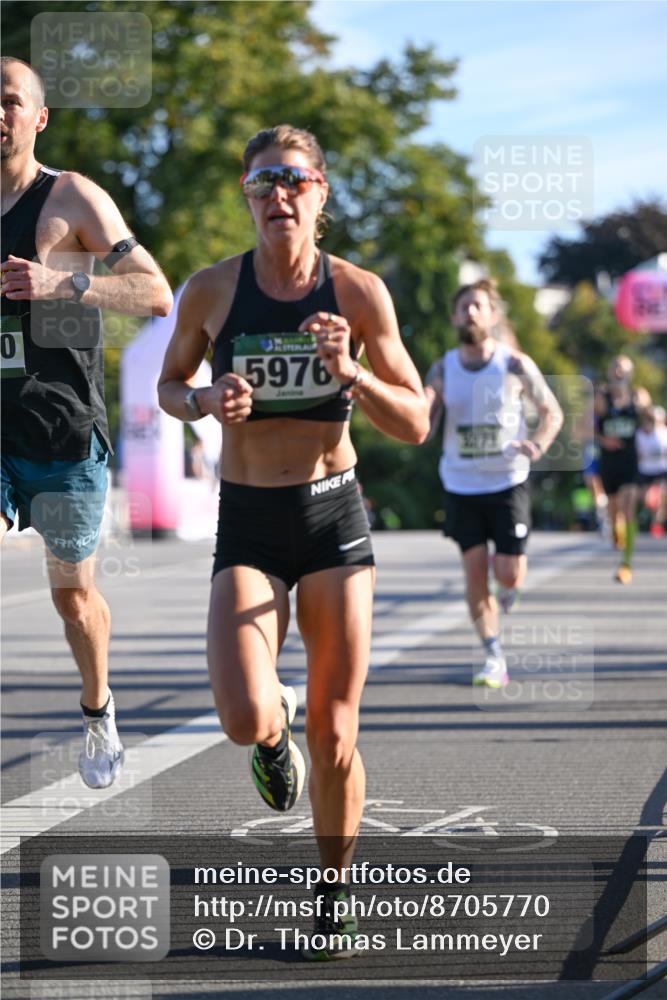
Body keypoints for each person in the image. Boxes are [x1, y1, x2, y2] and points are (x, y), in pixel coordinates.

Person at [157, 124, 428, 958]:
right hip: (247, 516)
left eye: (295, 180)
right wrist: (206, 404)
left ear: (320, 195)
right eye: (262, 180)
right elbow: (170, 385)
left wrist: (351, 373)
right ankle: (270, 740)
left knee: (336, 729)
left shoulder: (358, 292)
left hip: (331, 514)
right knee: (242, 715)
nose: (278, 193)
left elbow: (415, 421)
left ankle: (332, 891)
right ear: (246, 195)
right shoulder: (209, 291)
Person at [0, 58, 173, 787]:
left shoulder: (69, 197)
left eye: (9, 101)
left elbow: (157, 293)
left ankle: (97, 708)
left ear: (38, 117)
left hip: (63, 434)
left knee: (72, 596)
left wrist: (61, 280)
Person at [425, 279, 563, 688]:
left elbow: (551, 412)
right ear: (453, 316)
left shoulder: (514, 363)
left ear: (492, 315)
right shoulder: (441, 368)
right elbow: (424, 421)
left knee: (508, 574)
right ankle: (492, 655)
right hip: (460, 483)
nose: (470, 312)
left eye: (477, 306)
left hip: (507, 481)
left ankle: (508, 586)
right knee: (473, 571)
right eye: (463, 306)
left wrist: (537, 444)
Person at [595, 355, 651, 583]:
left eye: (623, 369)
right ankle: (617, 531)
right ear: (609, 371)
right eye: (615, 367)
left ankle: (626, 564)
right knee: (615, 512)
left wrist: (646, 415)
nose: (619, 372)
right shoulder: (601, 398)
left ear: (630, 373)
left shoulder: (639, 395)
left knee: (629, 509)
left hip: (631, 462)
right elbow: (584, 428)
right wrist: (603, 440)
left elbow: (650, 422)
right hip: (609, 463)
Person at [635, 404, 667, 538]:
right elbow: (637, 454)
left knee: (661, 497)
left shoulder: (664, 432)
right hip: (645, 470)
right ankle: (647, 516)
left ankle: (656, 523)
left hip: (662, 469)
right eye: (650, 419)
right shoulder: (639, 434)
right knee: (647, 498)